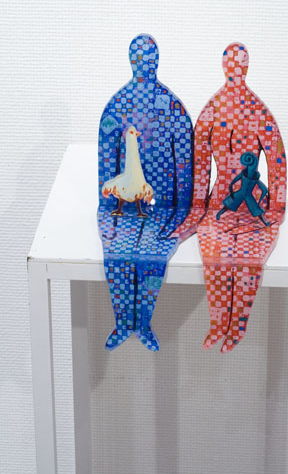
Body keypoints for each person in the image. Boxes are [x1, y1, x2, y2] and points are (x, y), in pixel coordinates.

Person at [172, 43, 286, 353]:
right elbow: (199, 166)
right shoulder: (213, 112)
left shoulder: (255, 112)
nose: (235, 69)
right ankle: (219, 324)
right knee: (215, 260)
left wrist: (276, 206)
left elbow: (277, 161)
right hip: (220, 203)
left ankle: (237, 327)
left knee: (248, 262)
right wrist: (197, 208)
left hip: (252, 206)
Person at [98, 34, 193, 351]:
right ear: (132, 60)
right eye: (140, 58)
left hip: (163, 207)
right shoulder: (117, 107)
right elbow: (106, 163)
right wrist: (108, 210)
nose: (144, 63)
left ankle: (141, 323)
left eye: (148, 58)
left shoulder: (173, 109)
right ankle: (124, 323)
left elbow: (184, 167)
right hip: (121, 206)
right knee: (117, 255)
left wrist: (181, 212)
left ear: (156, 61)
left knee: (153, 256)